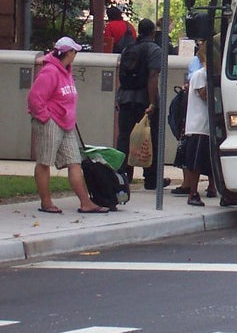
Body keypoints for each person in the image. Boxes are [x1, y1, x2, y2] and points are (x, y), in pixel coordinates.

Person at [27, 37, 109, 214]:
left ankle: (85, 202)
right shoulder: (50, 72)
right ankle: (46, 202)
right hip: (50, 122)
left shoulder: (66, 71)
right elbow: (35, 99)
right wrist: (45, 117)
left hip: (66, 124)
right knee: (44, 162)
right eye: (74, 52)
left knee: (75, 162)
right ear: (68, 53)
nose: (76, 55)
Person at [115, 18, 171, 189]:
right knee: (152, 139)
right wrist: (153, 103)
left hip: (125, 98)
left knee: (124, 138)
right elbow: (153, 76)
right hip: (144, 100)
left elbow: (122, 74)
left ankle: (122, 177)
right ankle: (152, 179)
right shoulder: (154, 49)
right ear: (153, 32)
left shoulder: (128, 48)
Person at [178, 43, 212, 206]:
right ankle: (193, 192)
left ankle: (214, 188)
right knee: (196, 162)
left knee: (209, 160)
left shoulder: (208, 74)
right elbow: (205, 96)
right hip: (199, 124)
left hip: (207, 126)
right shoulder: (200, 75)